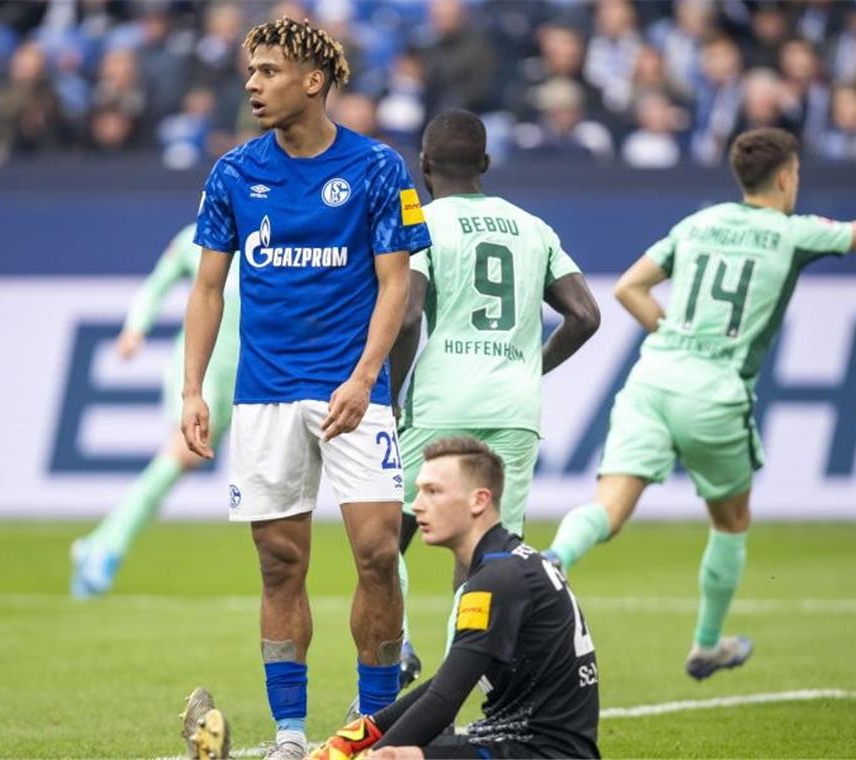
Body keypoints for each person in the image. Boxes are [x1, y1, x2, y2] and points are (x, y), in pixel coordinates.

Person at [544, 127, 856, 681]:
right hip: (715, 390)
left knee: (608, 507)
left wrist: (675, 333)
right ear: (784, 176)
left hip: (654, 377)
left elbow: (630, 286)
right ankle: (706, 644)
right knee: (730, 522)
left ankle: (553, 561)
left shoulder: (699, 223)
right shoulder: (792, 232)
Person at [181, 16, 431, 760]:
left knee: (379, 553)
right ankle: (290, 734)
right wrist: (193, 390)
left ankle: (375, 730)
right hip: (263, 397)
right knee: (280, 564)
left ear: (313, 81)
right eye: (250, 72)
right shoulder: (232, 173)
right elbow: (206, 289)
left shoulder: (379, 168)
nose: (252, 85)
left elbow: (398, 285)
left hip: (353, 394)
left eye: (267, 72)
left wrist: (364, 378)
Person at [388, 109, 600, 688]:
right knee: (488, 553)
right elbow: (585, 315)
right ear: (485, 165)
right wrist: (533, 365)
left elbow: (407, 316)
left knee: (388, 536)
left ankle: (397, 646)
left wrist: (389, 393)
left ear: (424, 166)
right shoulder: (534, 228)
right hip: (512, 408)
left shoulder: (422, 224)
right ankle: (475, 676)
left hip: (441, 405)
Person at [310, 437, 601, 760]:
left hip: (538, 752)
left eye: (433, 492)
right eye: (419, 490)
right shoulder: (508, 562)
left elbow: (444, 701)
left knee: (390, 758)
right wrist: (356, 735)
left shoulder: (495, 580)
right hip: (524, 743)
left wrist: (368, 753)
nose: (418, 504)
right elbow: (452, 677)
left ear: (479, 501)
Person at [70, 222, 239, 599]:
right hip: (198, 369)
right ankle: (106, 547)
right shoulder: (198, 234)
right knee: (182, 453)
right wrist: (135, 329)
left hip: (246, 374)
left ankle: (98, 543)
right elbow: (157, 283)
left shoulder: (270, 227)